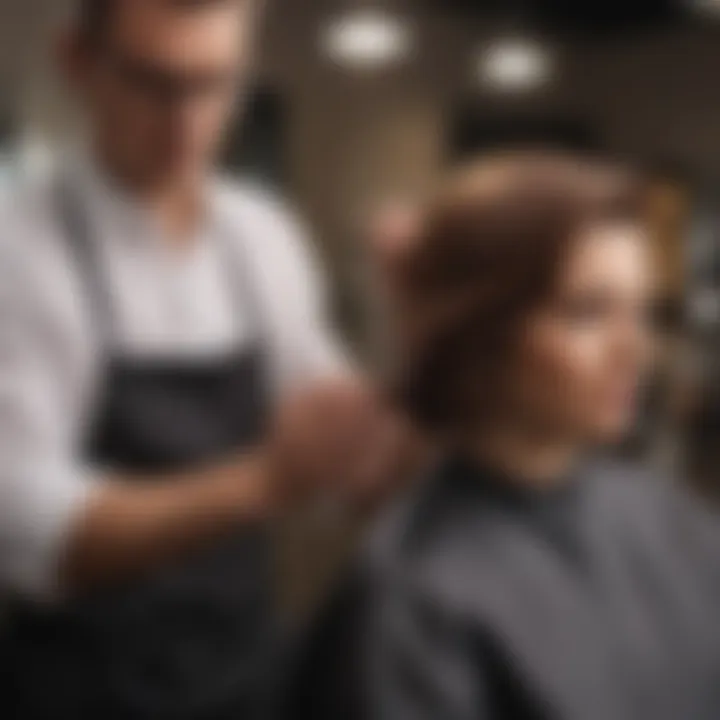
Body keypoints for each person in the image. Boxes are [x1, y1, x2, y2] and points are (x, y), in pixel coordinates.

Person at [0, 1, 403, 718]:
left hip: (240, 672)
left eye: (215, 85)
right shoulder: (21, 247)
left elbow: (350, 467)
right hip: (83, 692)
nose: (188, 123)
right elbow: (30, 529)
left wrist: (418, 339)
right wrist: (267, 480)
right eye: (155, 85)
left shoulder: (263, 236)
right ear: (77, 64)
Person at [288, 153, 720, 720]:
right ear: (482, 330)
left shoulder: (669, 518)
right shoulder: (414, 601)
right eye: (587, 313)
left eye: (641, 313)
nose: (635, 350)